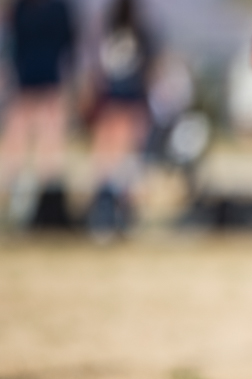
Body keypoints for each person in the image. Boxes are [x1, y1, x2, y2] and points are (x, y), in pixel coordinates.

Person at [83, 0, 156, 238]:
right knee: (120, 158)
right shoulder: (134, 30)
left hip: (120, 102)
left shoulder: (117, 30)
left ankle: (112, 211)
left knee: (114, 159)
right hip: (121, 103)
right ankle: (110, 210)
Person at [0, 0, 75, 228]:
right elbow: (10, 46)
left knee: (50, 152)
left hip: (50, 87)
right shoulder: (19, 9)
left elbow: (69, 47)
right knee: (13, 148)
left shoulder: (59, 9)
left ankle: (48, 209)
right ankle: (11, 205)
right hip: (23, 87)